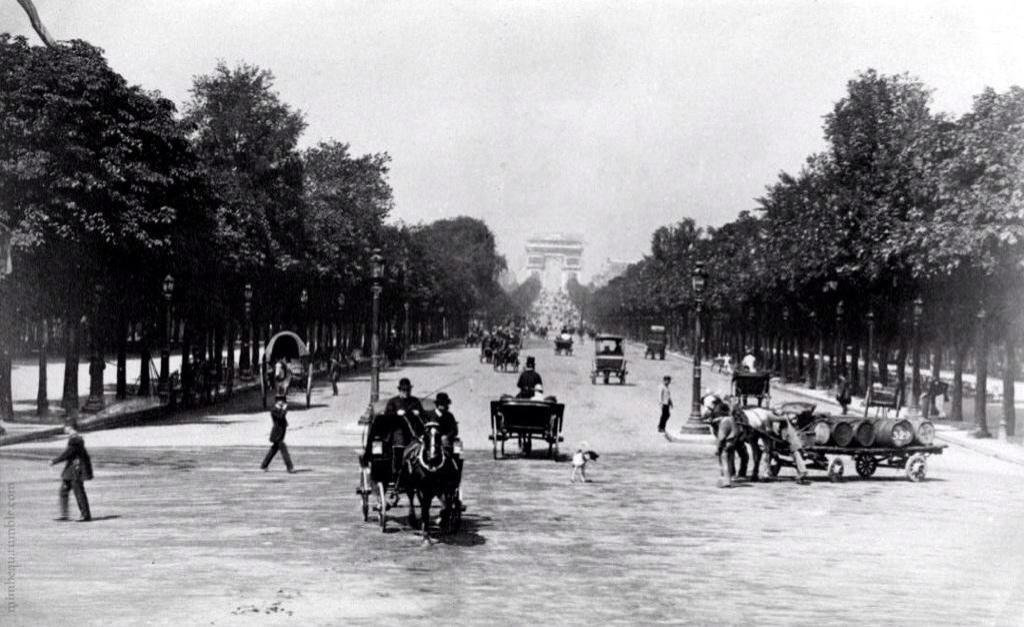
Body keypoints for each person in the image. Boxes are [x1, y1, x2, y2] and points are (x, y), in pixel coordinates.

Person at [51, 418, 92, 521]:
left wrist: (55, 461)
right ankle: (64, 514)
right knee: (64, 490)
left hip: (76, 469)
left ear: (70, 427)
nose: (64, 428)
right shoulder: (75, 438)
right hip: (71, 469)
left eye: (65, 426)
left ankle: (85, 515)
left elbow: (68, 453)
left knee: (78, 491)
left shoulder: (75, 440)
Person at [261, 369, 295, 473]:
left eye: (283, 400)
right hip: (277, 435)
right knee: (283, 450)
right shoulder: (274, 410)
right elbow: (280, 417)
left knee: (273, 450)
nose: (282, 402)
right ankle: (290, 467)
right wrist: (284, 409)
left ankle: (264, 465)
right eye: (280, 401)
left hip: (280, 434)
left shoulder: (279, 408)